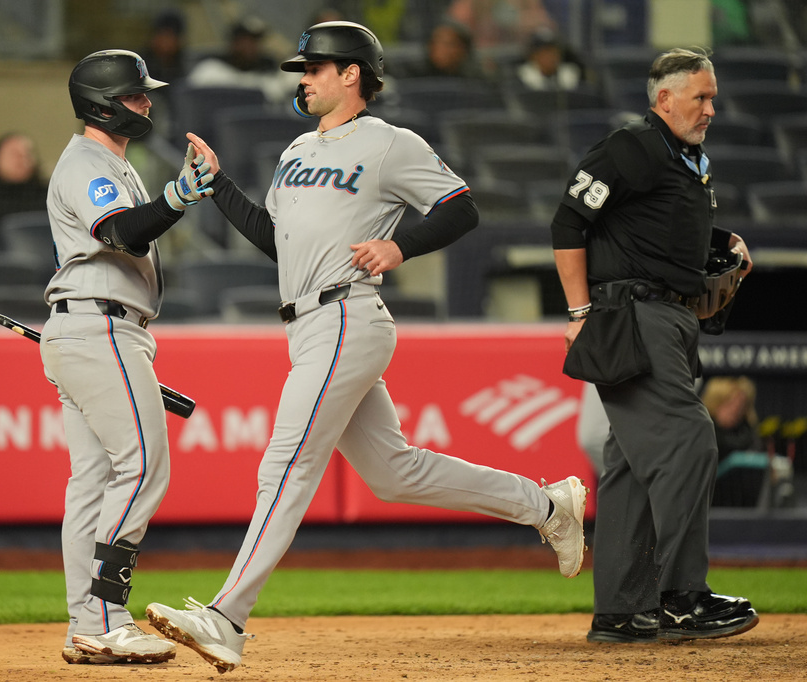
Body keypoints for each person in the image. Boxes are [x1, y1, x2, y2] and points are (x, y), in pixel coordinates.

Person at [145, 21, 588, 673]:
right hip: (307, 323)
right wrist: (216, 186)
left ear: (351, 74)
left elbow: (460, 207)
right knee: (394, 472)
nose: (304, 78)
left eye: (315, 68)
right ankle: (548, 506)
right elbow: (278, 243)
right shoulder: (296, 149)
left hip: (345, 316)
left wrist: (400, 245)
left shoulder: (388, 144)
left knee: (285, 463)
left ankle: (227, 616)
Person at [549, 47, 760, 644]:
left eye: (713, 97)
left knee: (631, 465)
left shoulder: (687, 159)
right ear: (664, 98)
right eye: (701, 97)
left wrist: (720, 244)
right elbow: (569, 221)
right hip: (631, 315)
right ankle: (681, 597)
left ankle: (621, 609)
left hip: (668, 315)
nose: (711, 108)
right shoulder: (633, 147)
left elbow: (653, 228)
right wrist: (580, 311)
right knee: (690, 438)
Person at [39, 49, 214, 666]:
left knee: (91, 484)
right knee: (142, 466)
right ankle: (108, 616)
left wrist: (168, 196)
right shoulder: (88, 161)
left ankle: (85, 626)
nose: (146, 102)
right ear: (104, 102)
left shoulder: (111, 160)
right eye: (136, 95)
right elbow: (122, 233)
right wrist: (178, 196)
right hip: (101, 328)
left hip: (94, 328)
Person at [186, 17, 297, 103]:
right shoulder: (210, 70)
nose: (250, 47)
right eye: (246, 41)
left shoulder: (268, 79)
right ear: (233, 42)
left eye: (255, 41)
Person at [394, 18, 484, 80]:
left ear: (463, 49)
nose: (441, 49)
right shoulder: (414, 76)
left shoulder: (475, 80)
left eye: (448, 44)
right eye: (435, 42)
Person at [514, 27, 585, 91]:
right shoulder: (521, 77)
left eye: (553, 52)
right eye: (544, 52)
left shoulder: (570, 74)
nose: (550, 57)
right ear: (533, 56)